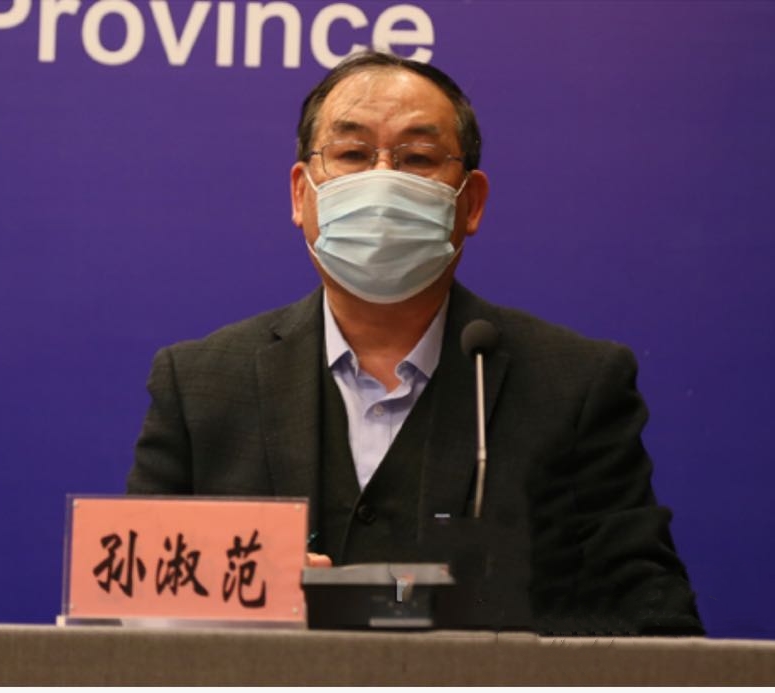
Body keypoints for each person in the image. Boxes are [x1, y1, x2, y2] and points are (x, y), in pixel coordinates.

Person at [128, 51, 704, 635]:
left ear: (471, 203)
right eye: (352, 154)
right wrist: (244, 601)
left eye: (418, 159)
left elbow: (655, 624)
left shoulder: (576, 386)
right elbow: (133, 611)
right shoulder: (199, 386)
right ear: (302, 195)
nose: (382, 181)